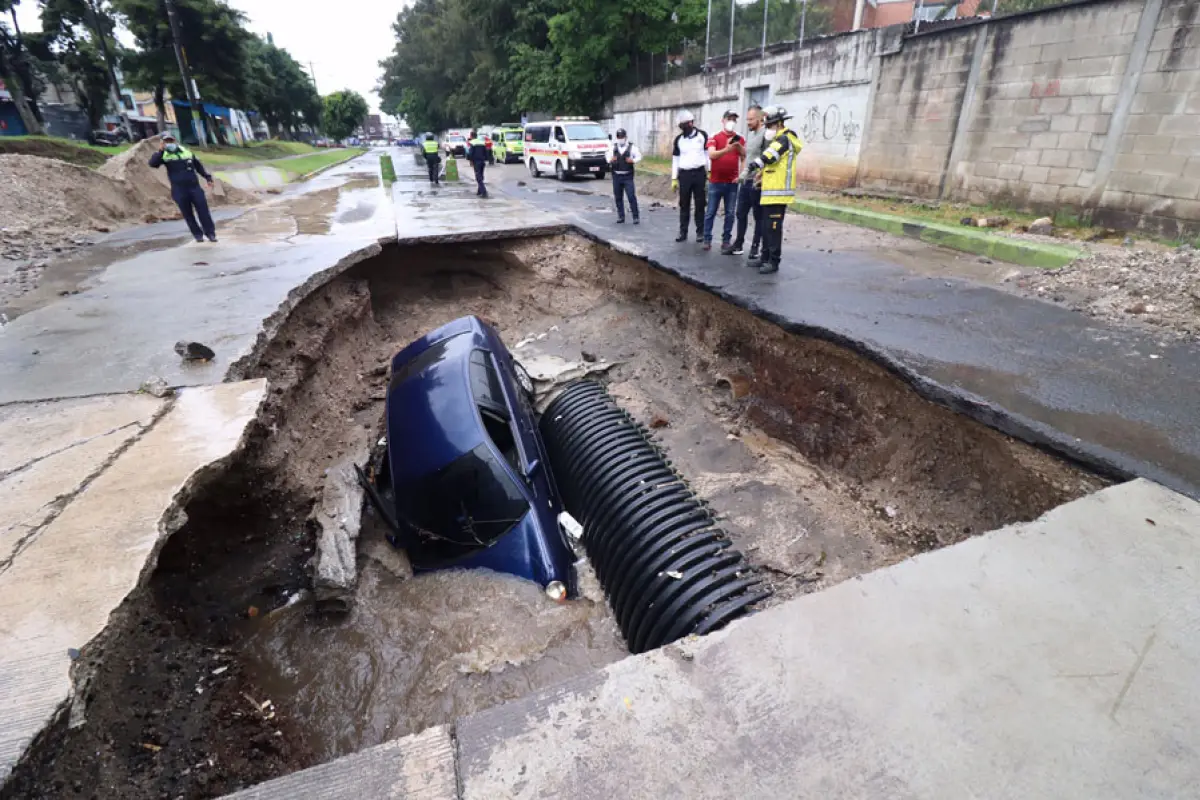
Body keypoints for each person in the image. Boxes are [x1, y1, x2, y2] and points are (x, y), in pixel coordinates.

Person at [746, 106, 804, 274]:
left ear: (779, 123)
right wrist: (761, 175)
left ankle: (773, 261)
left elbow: (770, 156)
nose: (767, 129)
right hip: (769, 192)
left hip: (779, 194)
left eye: (770, 125)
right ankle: (764, 257)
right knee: (765, 227)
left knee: (773, 228)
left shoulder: (785, 139)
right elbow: (774, 165)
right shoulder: (778, 138)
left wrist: (755, 164)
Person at [149, 133, 217, 243]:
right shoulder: (163, 155)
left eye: (171, 141)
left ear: (175, 141)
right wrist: (161, 151)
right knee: (188, 214)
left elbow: (198, 166)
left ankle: (210, 234)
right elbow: (153, 164)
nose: (169, 143)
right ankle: (198, 235)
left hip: (194, 187)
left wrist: (207, 177)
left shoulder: (186, 152)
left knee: (203, 211)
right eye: (166, 142)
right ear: (162, 143)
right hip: (179, 190)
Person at [703, 110, 743, 252]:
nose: (731, 121)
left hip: (732, 182)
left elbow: (744, 156)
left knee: (730, 213)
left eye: (734, 119)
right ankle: (706, 238)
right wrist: (727, 149)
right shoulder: (714, 137)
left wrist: (742, 174)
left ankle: (726, 240)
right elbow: (712, 155)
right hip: (716, 181)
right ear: (723, 120)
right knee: (710, 212)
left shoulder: (739, 138)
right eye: (729, 118)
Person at [729, 104, 765, 260]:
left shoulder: (766, 135)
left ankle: (755, 247)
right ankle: (738, 244)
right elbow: (747, 155)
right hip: (745, 180)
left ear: (760, 118)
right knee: (740, 213)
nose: (748, 122)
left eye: (751, 119)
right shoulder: (751, 134)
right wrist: (738, 147)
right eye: (747, 119)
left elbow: (766, 158)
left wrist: (761, 176)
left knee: (758, 216)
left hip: (757, 182)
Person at [670, 110, 708, 243]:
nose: (683, 128)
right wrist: (674, 178)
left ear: (691, 123)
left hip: (699, 174)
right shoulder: (679, 140)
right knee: (684, 204)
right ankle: (683, 232)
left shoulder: (702, 136)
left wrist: (709, 172)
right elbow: (675, 159)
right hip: (684, 175)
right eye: (681, 126)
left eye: (685, 125)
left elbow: (707, 155)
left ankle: (700, 232)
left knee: (700, 204)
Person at [608, 128, 642, 224]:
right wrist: (611, 159)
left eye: (622, 137)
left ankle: (636, 217)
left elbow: (639, 156)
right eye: (619, 137)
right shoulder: (613, 148)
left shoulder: (632, 147)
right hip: (616, 175)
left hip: (628, 176)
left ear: (625, 137)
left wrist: (633, 160)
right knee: (618, 197)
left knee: (631, 196)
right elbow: (607, 157)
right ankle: (621, 216)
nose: (620, 138)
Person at [467, 129, 489, 198]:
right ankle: (479, 191)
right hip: (482, 162)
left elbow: (470, 153)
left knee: (478, 178)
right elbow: (486, 152)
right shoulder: (482, 142)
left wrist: (470, 160)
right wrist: (485, 159)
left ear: (471, 136)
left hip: (476, 162)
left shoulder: (472, 143)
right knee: (481, 177)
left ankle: (484, 192)